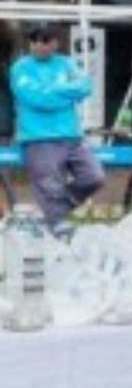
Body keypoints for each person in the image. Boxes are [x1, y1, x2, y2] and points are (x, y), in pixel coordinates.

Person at [8, 23, 104, 232]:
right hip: (38, 138)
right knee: (50, 187)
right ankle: (58, 226)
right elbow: (37, 99)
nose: (38, 45)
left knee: (94, 177)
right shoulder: (20, 68)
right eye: (34, 40)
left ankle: (59, 206)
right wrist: (67, 96)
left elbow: (86, 86)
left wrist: (52, 92)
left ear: (56, 43)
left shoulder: (67, 63)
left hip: (72, 136)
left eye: (45, 40)